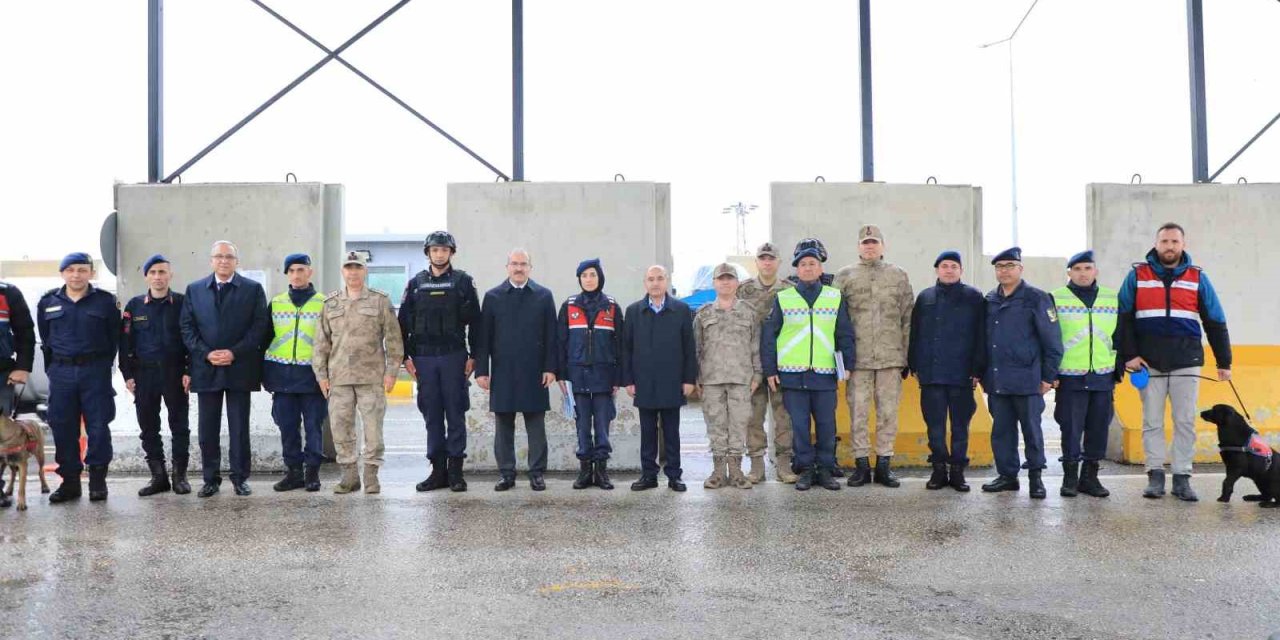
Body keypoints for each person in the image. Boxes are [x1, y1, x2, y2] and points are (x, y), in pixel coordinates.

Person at [1118, 222, 1231, 502]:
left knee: (1184, 422)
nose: (1170, 246)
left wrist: (1224, 361)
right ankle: (1155, 476)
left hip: (1186, 360)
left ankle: (1182, 478)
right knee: (1152, 422)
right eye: (1165, 241)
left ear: (1183, 245)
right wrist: (1129, 355)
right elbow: (1122, 319)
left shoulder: (1197, 278)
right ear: (1156, 244)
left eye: (1175, 242)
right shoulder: (1137, 276)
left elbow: (1215, 321)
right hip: (1148, 362)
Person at [761, 239, 856, 492]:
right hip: (792, 375)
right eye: (803, 264)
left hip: (825, 374)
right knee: (800, 427)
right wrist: (770, 370)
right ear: (797, 270)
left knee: (826, 425)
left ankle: (824, 469)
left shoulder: (835, 297)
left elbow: (844, 333)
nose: (808, 268)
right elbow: (769, 336)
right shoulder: (784, 298)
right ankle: (805, 469)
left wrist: (847, 364)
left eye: (812, 263)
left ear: (820, 268)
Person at [180, 240, 270, 498]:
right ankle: (210, 479)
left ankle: (240, 478)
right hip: (206, 368)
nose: (223, 261)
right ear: (211, 261)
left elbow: (259, 327)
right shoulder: (195, 290)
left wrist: (234, 352)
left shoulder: (252, 290)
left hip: (239, 367)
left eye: (228, 257)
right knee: (207, 428)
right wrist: (207, 353)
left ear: (236, 261)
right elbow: (187, 328)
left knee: (239, 427)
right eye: (218, 256)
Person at [312, 251, 404, 495]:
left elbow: (394, 340)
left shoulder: (380, 301)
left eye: (358, 267)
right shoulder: (330, 303)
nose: (353, 272)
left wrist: (392, 372)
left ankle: (371, 476)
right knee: (341, 429)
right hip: (339, 378)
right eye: (348, 267)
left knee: (373, 430)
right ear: (343, 271)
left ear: (365, 271)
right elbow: (321, 343)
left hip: (371, 378)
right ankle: (349, 477)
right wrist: (321, 375)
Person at [399, 231, 481, 493]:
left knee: (455, 413)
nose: (439, 254)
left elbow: (477, 323)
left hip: (453, 356)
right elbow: (401, 324)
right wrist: (404, 359)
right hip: (423, 357)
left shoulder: (463, 282)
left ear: (451, 253)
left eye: (444, 250)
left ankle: (456, 472)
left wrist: (474, 356)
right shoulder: (415, 284)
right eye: (435, 250)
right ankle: (437, 471)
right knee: (432, 415)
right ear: (428, 253)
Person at [979, 247, 1064, 499]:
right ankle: (1007, 476)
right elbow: (984, 341)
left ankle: (1036, 478)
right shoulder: (990, 300)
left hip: (1028, 380)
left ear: (1020, 269)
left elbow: (1053, 341)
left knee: (1032, 431)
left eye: (1009, 265)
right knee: (1002, 432)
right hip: (998, 379)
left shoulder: (1037, 298)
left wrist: (1048, 377)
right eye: (999, 267)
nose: (1004, 271)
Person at [834, 224, 914, 488]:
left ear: (883, 246)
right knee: (858, 413)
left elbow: (907, 319)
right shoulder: (844, 276)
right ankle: (861, 467)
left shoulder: (898, 275)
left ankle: (883, 465)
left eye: (874, 242)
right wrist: (841, 359)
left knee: (888, 413)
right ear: (859, 246)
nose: (870, 246)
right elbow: (836, 321)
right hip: (858, 360)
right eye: (865, 242)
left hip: (890, 358)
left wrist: (906, 356)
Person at [37, 253, 120, 503]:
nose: (76, 275)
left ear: (91, 273)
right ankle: (70, 483)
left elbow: (114, 338)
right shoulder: (48, 302)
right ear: (62, 273)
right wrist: (54, 370)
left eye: (82, 270)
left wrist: (103, 367)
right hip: (61, 373)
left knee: (97, 426)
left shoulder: (105, 302)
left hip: (95, 372)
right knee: (62, 426)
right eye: (71, 270)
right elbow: (46, 338)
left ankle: (97, 482)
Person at [476, 249, 558, 492]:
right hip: (503, 371)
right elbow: (484, 338)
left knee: (536, 426)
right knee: (503, 426)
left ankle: (536, 473)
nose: (519, 268)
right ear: (507, 267)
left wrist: (550, 368)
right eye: (514, 264)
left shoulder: (543, 296)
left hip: (535, 372)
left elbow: (551, 336)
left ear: (530, 268)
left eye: (523, 264)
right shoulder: (493, 297)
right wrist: (482, 370)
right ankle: (506, 473)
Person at [907, 250, 984, 492]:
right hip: (932, 374)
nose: (949, 270)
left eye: (953, 266)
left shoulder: (973, 297)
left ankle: (958, 472)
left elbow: (982, 336)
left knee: (961, 426)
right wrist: (914, 364)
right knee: (935, 427)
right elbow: (915, 333)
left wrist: (977, 369)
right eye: (944, 266)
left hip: (962, 375)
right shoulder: (925, 297)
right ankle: (939, 469)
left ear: (961, 270)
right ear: (937, 270)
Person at [120, 254, 192, 496]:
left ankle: (179, 477)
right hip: (144, 376)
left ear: (170, 275)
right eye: (153, 273)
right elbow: (125, 343)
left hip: (175, 374)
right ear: (146, 276)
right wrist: (127, 375)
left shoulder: (183, 303)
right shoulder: (135, 306)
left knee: (179, 426)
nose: (158, 277)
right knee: (149, 428)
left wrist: (189, 371)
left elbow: (191, 340)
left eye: (162, 272)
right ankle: (158, 477)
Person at [621, 265, 697, 492]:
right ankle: (649, 475)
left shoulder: (681, 310)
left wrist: (689, 379)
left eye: (660, 278)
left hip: (673, 380)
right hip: (644, 381)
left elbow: (689, 347)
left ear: (666, 281)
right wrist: (629, 380)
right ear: (645, 283)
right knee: (648, 431)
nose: (655, 283)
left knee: (672, 431)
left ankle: (674, 475)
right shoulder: (633, 311)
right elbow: (627, 349)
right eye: (651, 279)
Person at [1051, 250, 1119, 498]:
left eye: (1087, 268)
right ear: (1069, 272)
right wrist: (1050, 372)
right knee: (1070, 428)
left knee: (1098, 428)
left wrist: (1119, 368)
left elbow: (1121, 335)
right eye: (1077, 269)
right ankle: (1069, 478)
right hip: (1070, 377)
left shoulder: (1112, 298)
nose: (1082, 273)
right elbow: (1049, 339)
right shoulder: (1056, 298)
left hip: (1102, 375)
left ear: (1095, 271)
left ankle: (1090, 478)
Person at [557, 258, 624, 490]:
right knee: (583, 425)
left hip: (605, 377)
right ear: (579, 279)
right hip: (577, 377)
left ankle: (602, 473)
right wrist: (561, 377)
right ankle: (585, 472)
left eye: (592, 275)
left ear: (600, 277)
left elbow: (620, 345)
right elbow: (560, 343)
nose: (588, 279)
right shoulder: (569, 305)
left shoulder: (612, 306)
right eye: (584, 275)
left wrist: (618, 379)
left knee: (603, 427)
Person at [262, 253, 327, 493]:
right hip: (282, 377)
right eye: (292, 271)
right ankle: (294, 473)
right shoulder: (276, 303)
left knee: (313, 427)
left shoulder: (324, 303)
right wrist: (265, 376)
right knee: (287, 427)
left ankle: (312, 474)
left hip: (312, 378)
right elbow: (264, 338)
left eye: (301, 270)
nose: (297, 275)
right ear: (287, 274)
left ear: (310, 272)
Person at [694, 263, 761, 490]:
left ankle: (736, 472)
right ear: (714, 283)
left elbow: (756, 345)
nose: (725, 282)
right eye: (721, 279)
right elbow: (696, 347)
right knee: (716, 426)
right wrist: (696, 377)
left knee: (739, 425)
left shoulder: (749, 313)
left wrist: (758, 374)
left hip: (741, 378)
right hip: (711, 379)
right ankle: (718, 472)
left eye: (729, 278)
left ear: (737, 283)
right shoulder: (703, 314)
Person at [736, 242, 796, 483]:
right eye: (763, 258)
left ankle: (783, 465)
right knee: (753, 417)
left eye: (771, 258)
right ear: (757, 262)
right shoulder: (744, 290)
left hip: (782, 362)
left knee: (783, 416)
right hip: (752, 363)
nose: (767, 262)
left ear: (778, 262)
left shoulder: (790, 290)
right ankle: (757, 466)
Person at [0, 275, 36, 509]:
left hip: (2, 373)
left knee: (2, 435)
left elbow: (25, 333)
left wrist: (22, 366)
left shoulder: (8, 293)